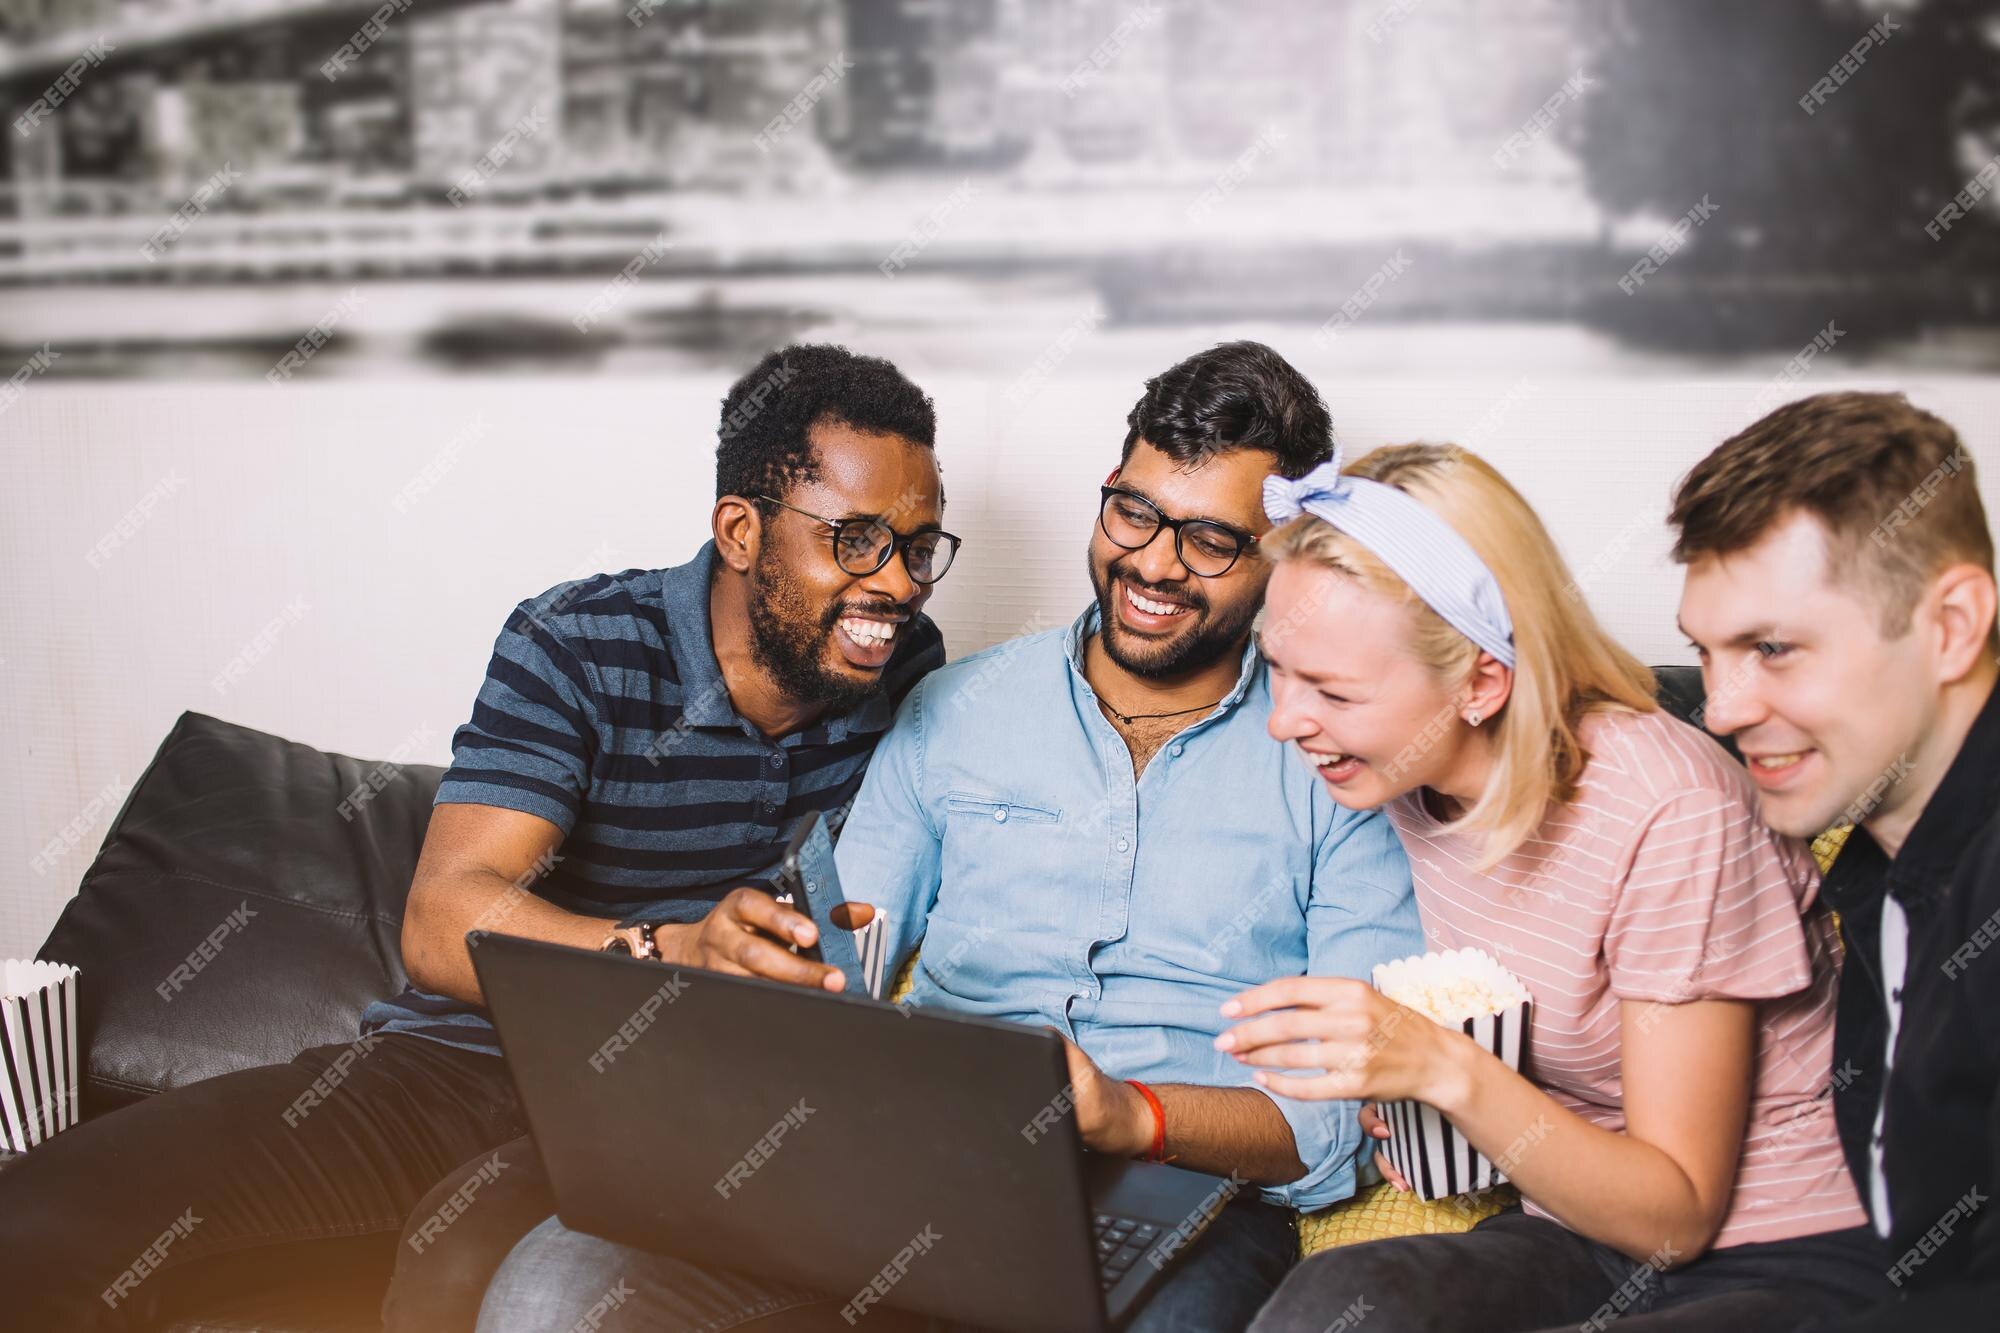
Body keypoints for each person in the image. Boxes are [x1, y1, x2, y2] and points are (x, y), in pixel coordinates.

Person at [0, 344, 952, 1331]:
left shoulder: (903, 674)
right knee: (36, 1217)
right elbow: (443, 921)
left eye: (918, 546)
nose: (897, 583)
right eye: (855, 538)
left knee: (462, 1270)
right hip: (458, 1070)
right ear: (740, 530)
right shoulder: (577, 644)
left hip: (678, 1111)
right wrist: (671, 950)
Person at [474, 342, 1422, 1333]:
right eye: (1133, 513)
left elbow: (1334, 1120)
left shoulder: (1337, 760)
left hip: (1184, 1192)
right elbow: (844, 965)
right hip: (924, 1168)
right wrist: (774, 974)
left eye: (1211, 541)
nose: (1152, 563)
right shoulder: (953, 709)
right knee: (557, 1286)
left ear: (1287, 549)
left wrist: (1125, 1112)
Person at [1232, 442, 1893, 1333]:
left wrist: (1443, 1065)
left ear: (1482, 682)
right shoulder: (1412, 781)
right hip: (1580, 1230)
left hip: (1778, 1251)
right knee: (1328, 1309)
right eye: (1277, 666)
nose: (1283, 721)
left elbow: (1678, 1213)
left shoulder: (1672, 809)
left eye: (1332, 691)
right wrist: (1426, 1100)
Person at [1668, 392, 1998, 1330]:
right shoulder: (1869, 868)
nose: (1722, 708)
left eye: (1773, 648)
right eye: (1707, 652)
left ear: (1952, 626)